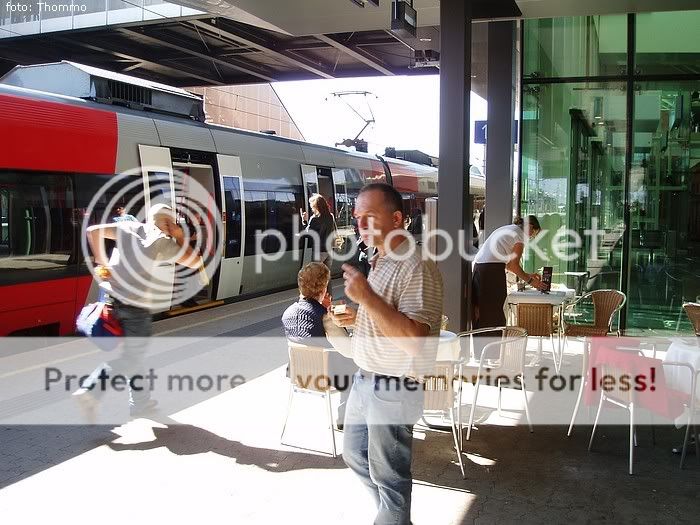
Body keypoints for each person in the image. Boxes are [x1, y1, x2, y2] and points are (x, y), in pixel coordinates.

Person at [330, 183, 443, 525]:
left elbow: (415, 340)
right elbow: (389, 316)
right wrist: (359, 314)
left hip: (394, 386)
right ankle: (393, 517)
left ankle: (392, 516)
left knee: (390, 480)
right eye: (357, 217)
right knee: (354, 456)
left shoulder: (415, 264)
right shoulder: (382, 259)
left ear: (397, 218)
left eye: (370, 217)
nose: (360, 225)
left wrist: (367, 299)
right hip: (366, 380)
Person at [74, 203, 204, 421]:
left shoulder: (127, 228)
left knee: (135, 356)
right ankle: (91, 390)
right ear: (168, 223)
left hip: (111, 300)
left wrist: (101, 260)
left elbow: (92, 231)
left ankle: (141, 404)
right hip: (136, 308)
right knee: (132, 357)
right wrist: (179, 236)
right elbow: (195, 261)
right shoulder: (163, 243)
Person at [281, 262, 354, 426]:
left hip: (298, 374)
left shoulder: (288, 313)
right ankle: (345, 420)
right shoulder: (325, 317)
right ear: (323, 290)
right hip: (322, 377)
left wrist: (323, 307)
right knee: (358, 367)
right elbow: (348, 350)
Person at [472, 215, 545, 329]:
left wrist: (527, 275)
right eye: (534, 234)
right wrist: (531, 281)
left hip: (479, 269)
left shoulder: (510, 229)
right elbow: (513, 265)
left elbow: (509, 265)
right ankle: (492, 345)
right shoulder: (520, 236)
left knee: (481, 313)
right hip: (491, 272)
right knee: (494, 314)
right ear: (530, 227)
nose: (531, 237)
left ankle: (480, 345)